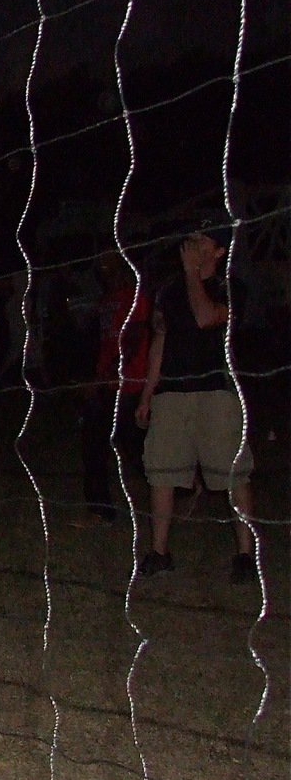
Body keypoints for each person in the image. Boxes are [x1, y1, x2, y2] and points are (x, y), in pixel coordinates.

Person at [135, 220, 256, 583]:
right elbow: (160, 342)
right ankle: (159, 552)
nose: (192, 242)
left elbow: (206, 318)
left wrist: (192, 275)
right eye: (192, 237)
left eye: (203, 239)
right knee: (161, 473)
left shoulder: (230, 288)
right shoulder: (167, 291)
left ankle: (245, 556)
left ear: (218, 251)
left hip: (216, 393)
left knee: (231, 474)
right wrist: (147, 396)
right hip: (172, 394)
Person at [74, 251, 150, 526]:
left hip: (127, 383)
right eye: (100, 267)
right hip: (107, 382)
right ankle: (100, 509)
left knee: (132, 447)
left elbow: (133, 339)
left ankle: (181, 487)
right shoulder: (107, 300)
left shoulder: (133, 296)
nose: (103, 271)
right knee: (97, 441)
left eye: (109, 264)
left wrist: (104, 376)